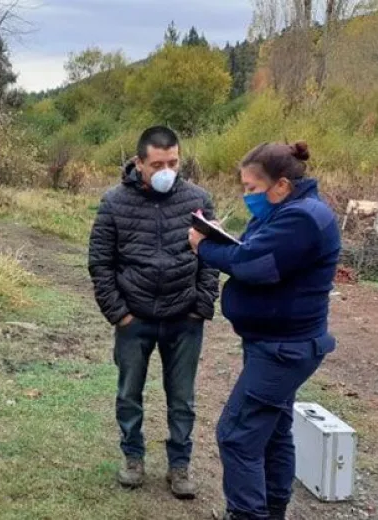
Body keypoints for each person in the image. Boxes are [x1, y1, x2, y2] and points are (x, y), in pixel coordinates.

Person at [189, 141, 341, 520]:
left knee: (236, 436)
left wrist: (203, 246)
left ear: (282, 185)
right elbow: (251, 247)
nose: (247, 196)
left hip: (283, 350)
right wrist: (219, 237)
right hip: (275, 345)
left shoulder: (302, 218)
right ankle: (272, 511)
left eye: (252, 188)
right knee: (272, 434)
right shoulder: (283, 211)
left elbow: (255, 263)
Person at [88, 126, 220, 499]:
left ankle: (180, 466)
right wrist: (120, 314)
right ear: (139, 163)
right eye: (158, 163)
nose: (167, 170)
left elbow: (211, 258)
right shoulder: (114, 202)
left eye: (173, 162)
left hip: (184, 319)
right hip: (135, 319)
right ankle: (133, 457)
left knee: (183, 399)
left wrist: (201, 306)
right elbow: (100, 262)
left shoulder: (198, 199)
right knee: (129, 393)